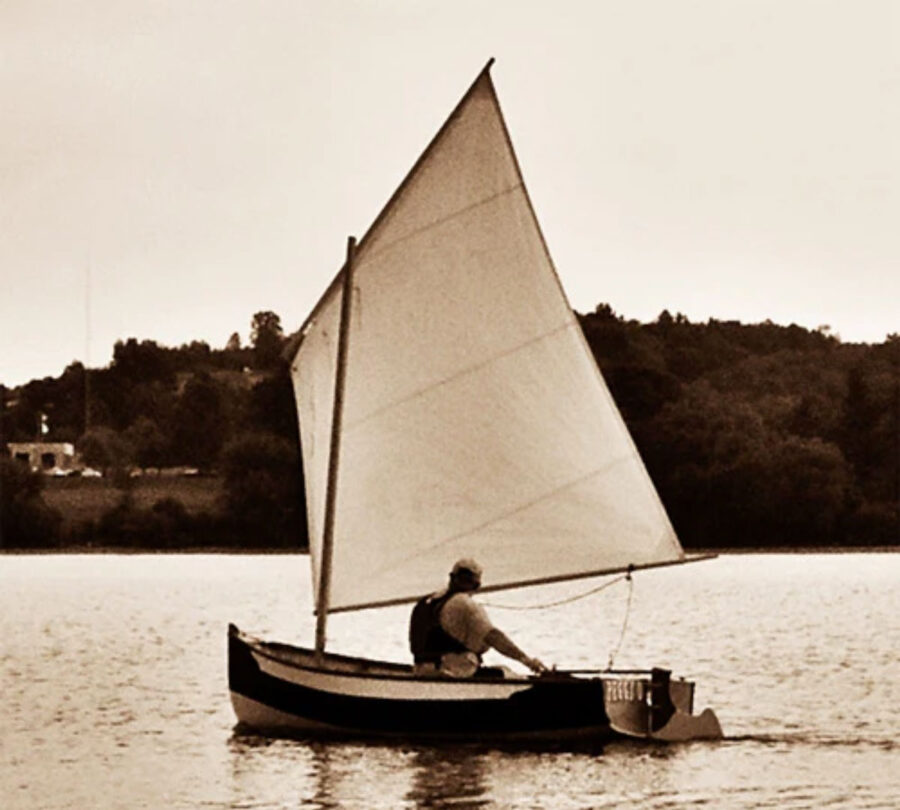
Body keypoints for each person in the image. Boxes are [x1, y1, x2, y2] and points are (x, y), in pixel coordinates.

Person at [409, 558, 547, 677]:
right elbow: (494, 636)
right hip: (452, 674)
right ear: (477, 585)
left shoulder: (425, 602)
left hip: (421, 671)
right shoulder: (466, 604)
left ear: (451, 577)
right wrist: (527, 661)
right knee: (507, 674)